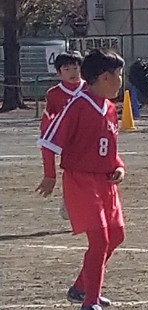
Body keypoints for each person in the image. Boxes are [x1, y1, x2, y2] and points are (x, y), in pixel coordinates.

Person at [37, 49, 127, 310]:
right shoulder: (78, 105)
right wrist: (50, 176)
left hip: (105, 182)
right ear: (103, 77)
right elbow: (49, 140)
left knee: (116, 235)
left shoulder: (110, 108)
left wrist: (119, 166)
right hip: (80, 180)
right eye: (118, 77)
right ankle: (90, 305)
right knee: (99, 240)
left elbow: (109, 149)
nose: (120, 82)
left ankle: (80, 288)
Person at [35, 50, 84, 224]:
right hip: (68, 143)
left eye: (75, 67)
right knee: (73, 172)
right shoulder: (54, 94)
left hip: (88, 140)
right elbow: (48, 125)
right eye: (67, 68)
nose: (72, 72)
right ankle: (69, 200)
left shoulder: (90, 88)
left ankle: (78, 204)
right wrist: (49, 173)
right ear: (58, 72)